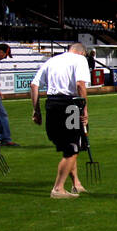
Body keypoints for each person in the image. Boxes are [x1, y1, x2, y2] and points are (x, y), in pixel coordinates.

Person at [30, 42, 92, 198]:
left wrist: (36, 110)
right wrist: (84, 109)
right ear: (82, 53)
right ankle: (58, 189)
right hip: (70, 105)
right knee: (72, 147)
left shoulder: (52, 60)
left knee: (68, 146)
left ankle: (76, 184)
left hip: (51, 105)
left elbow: (34, 85)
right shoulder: (80, 60)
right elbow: (80, 85)